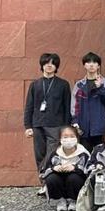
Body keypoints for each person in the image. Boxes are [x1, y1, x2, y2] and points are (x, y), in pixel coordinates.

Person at [24, 53, 71, 195]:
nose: (49, 65)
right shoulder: (35, 85)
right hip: (37, 124)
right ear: (42, 65)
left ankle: (47, 179)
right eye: (46, 63)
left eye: (52, 63)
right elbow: (29, 106)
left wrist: (66, 127)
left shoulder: (63, 84)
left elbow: (67, 107)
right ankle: (44, 184)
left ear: (56, 66)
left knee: (52, 154)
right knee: (39, 155)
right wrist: (28, 126)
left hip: (56, 125)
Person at [71, 52, 105, 151]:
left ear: (98, 66)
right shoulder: (79, 85)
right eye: (88, 62)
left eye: (94, 62)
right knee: (84, 155)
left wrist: (101, 88)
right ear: (84, 65)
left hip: (101, 127)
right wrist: (75, 121)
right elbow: (74, 106)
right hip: (83, 128)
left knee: (101, 155)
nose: (91, 65)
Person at [42, 126, 90, 211]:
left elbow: (88, 172)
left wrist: (75, 168)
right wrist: (54, 168)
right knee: (51, 178)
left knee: (73, 178)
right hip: (60, 180)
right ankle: (60, 200)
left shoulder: (83, 153)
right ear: (60, 139)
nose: (69, 140)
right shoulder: (55, 153)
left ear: (77, 138)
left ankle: (73, 200)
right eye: (65, 137)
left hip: (75, 182)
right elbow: (44, 171)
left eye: (72, 136)